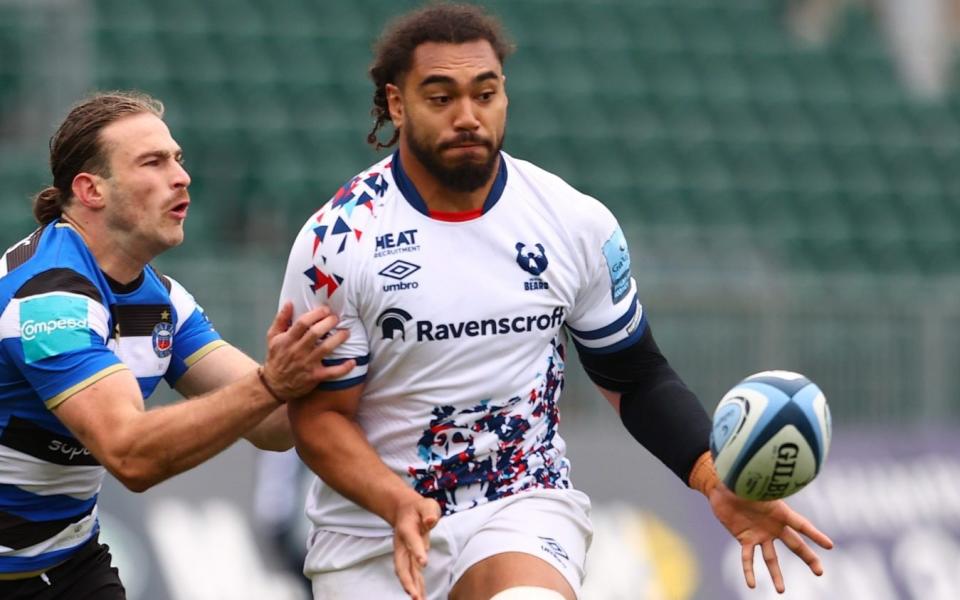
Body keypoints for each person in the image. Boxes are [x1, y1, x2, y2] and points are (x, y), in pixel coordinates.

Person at [280, 4, 834, 600]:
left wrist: (710, 476)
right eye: (441, 98)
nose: (468, 116)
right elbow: (319, 416)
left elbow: (635, 375)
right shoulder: (339, 242)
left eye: (485, 94)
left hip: (521, 504)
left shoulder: (572, 222)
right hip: (374, 531)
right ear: (396, 104)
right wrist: (397, 502)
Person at [0, 91, 354, 599]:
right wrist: (272, 381)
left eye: (178, 160)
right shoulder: (48, 302)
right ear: (91, 189)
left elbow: (275, 426)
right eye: (153, 162)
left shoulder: (161, 300)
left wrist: (352, 351)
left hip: (69, 563)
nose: (181, 176)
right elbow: (131, 455)